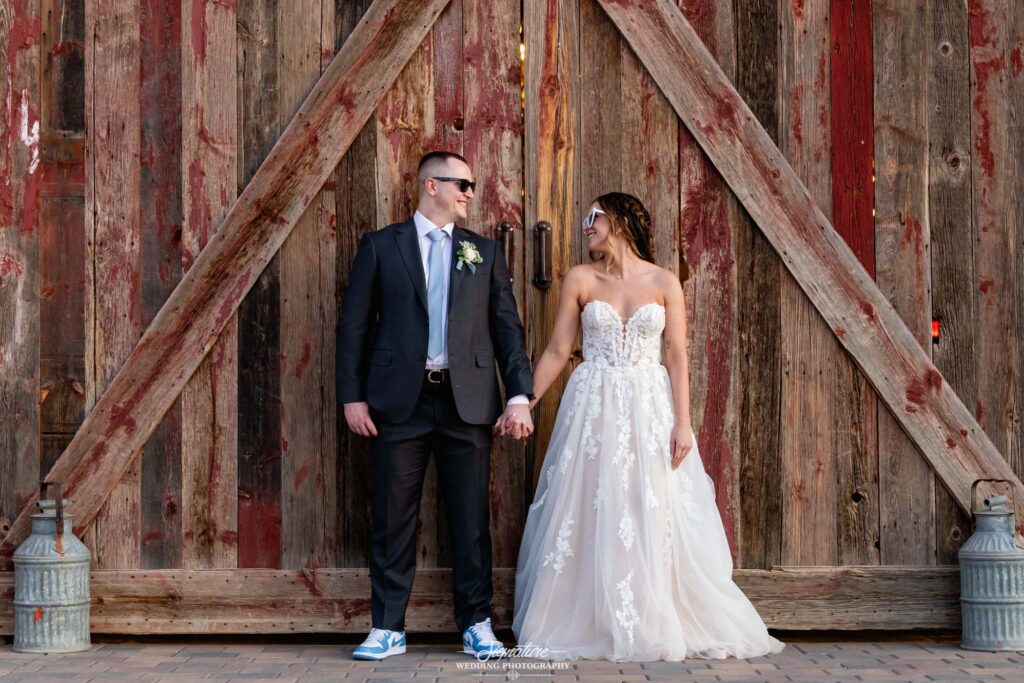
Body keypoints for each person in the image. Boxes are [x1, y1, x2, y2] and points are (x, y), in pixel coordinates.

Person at [511, 192, 785, 661]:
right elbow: (558, 350)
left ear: (616, 222)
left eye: (591, 217)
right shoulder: (580, 278)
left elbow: (677, 354)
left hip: (649, 405)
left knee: (649, 505)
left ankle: (653, 614)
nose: (585, 226)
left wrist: (684, 424)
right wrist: (524, 404)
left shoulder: (664, 281)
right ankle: (595, 617)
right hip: (593, 406)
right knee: (591, 505)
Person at [337, 151, 535, 661]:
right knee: (391, 517)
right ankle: (388, 627)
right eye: (461, 183)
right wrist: (352, 396)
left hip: (466, 402)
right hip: (396, 403)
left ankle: (476, 624)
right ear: (430, 185)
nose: (469, 192)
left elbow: (506, 330)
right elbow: (354, 328)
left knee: (471, 521)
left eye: (471, 184)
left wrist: (519, 394)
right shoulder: (382, 246)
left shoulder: (483, 253)